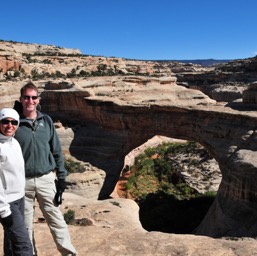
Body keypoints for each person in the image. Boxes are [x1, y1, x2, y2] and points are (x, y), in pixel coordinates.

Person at [14, 82, 77, 256]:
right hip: (22, 182)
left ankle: (69, 253)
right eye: (26, 97)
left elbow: (56, 150)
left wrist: (62, 178)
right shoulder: (14, 123)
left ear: (38, 99)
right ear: (21, 99)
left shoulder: (46, 120)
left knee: (56, 220)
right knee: (24, 226)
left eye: (34, 97)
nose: (30, 101)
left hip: (46, 178)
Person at [0, 108, 33, 256]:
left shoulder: (14, 142)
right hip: (8, 203)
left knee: (11, 243)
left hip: (19, 199)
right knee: (24, 246)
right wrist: (3, 210)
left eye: (14, 122)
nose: (9, 125)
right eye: (5, 121)